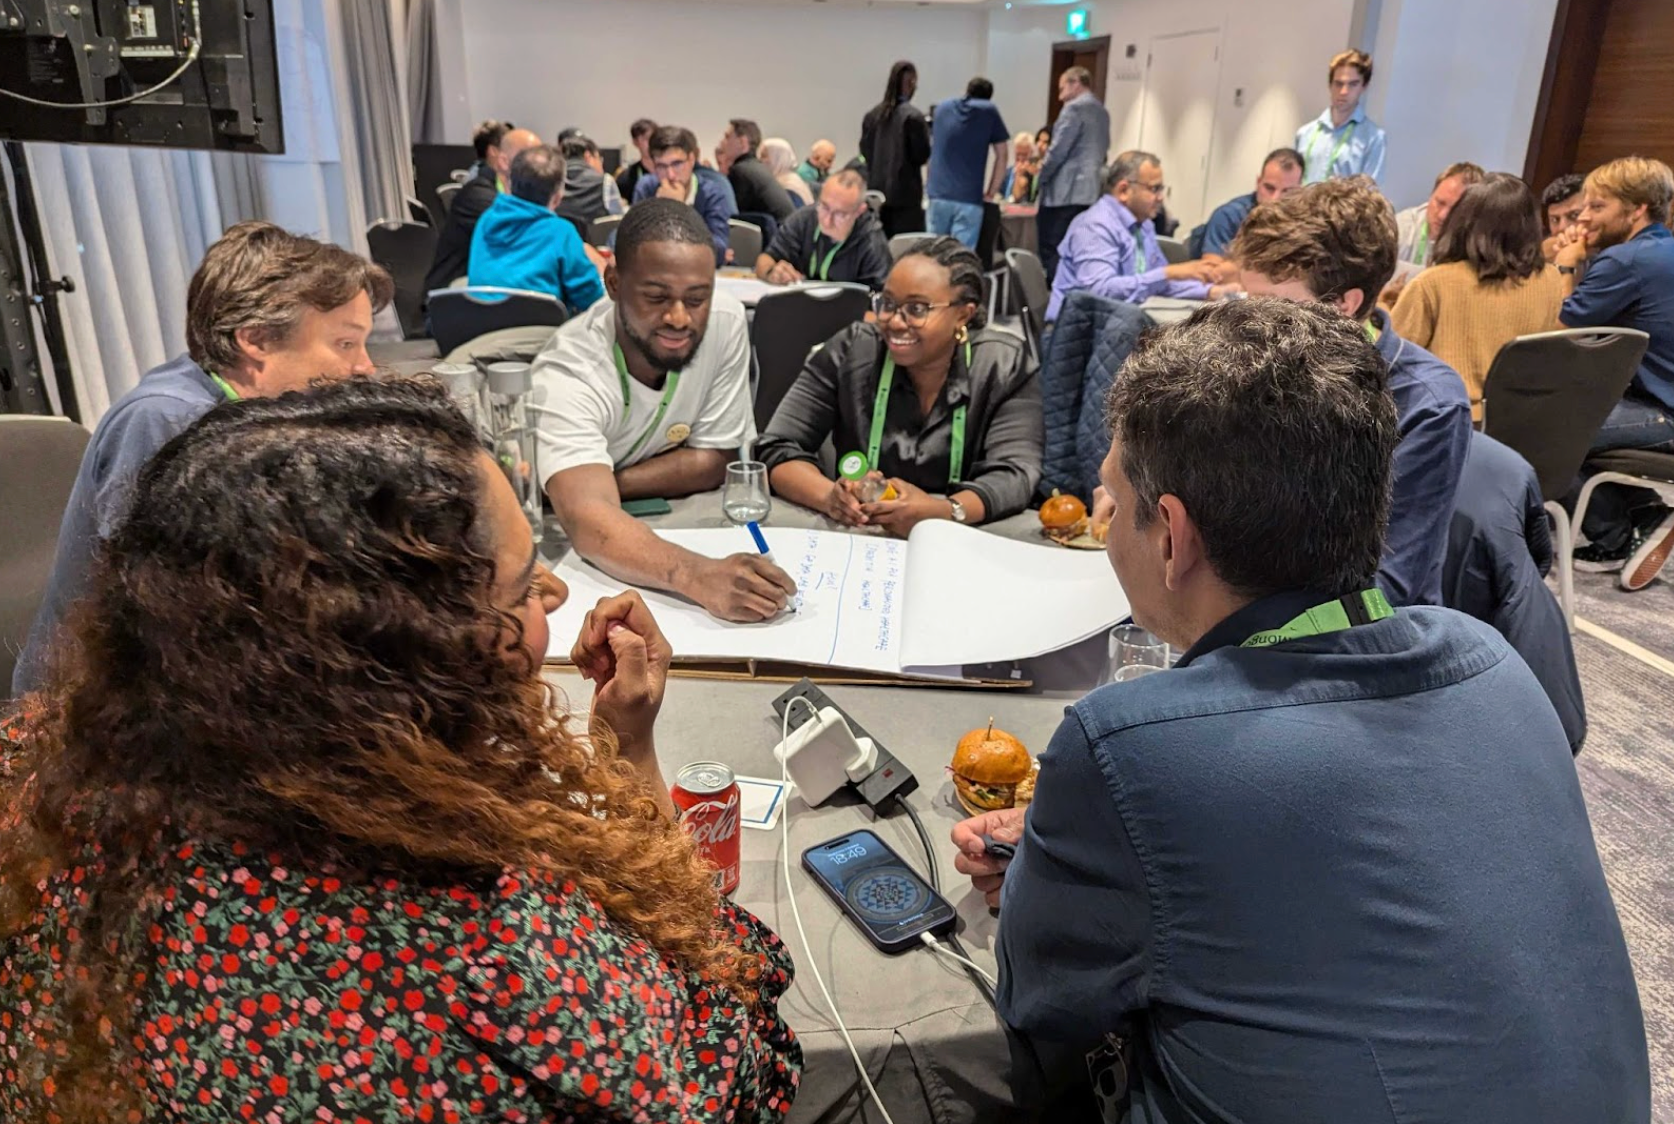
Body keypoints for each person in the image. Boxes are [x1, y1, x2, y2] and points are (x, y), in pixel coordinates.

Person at [0, 376, 804, 1121]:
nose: (556, 593)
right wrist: (627, 757)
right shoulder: (485, 945)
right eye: (524, 584)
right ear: (406, 654)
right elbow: (727, 1046)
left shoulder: (39, 776)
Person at [952, 298, 1649, 1124]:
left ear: (1172, 536)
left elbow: (1045, 1008)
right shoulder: (1494, 663)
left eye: (1111, 500)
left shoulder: (1125, 749)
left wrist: (1050, 864)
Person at [12, 222, 390, 695]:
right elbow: (158, 609)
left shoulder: (254, 404)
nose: (366, 367)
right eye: (345, 344)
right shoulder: (167, 421)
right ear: (256, 340)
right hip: (93, 700)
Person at [534, 200, 793, 621]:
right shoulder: (567, 370)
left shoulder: (725, 321)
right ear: (614, 282)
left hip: (665, 518)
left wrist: (603, 485)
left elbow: (715, 460)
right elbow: (590, 524)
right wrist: (695, 574)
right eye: (656, 297)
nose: (679, 318)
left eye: (697, 298)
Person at [1232, 176, 1471, 606]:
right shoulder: (1261, 360)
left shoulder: (1428, 406)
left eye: (1270, 305)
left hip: (1350, 626)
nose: (1250, 322)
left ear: (1343, 305)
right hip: (1252, 600)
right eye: (1247, 299)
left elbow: (1387, 588)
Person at [756, 237, 1042, 534]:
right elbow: (777, 446)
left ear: (963, 315)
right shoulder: (853, 349)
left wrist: (944, 513)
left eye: (917, 309)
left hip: (964, 536)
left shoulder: (1002, 364)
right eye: (888, 303)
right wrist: (830, 498)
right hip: (862, 535)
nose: (894, 321)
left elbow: (1016, 474)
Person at [1554, 155, 1674, 588]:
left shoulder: (1626, 261)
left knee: (1545, 429)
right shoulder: (1662, 251)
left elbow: (1560, 334)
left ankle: (1618, 531)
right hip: (1659, 404)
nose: (1584, 217)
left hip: (1663, 412)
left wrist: (1567, 264)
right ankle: (1643, 513)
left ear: (1637, 209)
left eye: (1597, 206)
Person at [1392, 173, 1565, 420]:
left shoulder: (1432, 284)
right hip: (1519, 421)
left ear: (1462, 221)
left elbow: (1391, 361)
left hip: (1444, 421)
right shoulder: (1552, 279)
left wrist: (1383, 310)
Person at [1045, 151, 1237, 321]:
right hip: (1073, 335)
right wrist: (1169, 272)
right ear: (1123, 190)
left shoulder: (1143, 225)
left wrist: (1210, 292)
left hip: (1111, 325)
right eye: (1154, 189)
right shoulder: (1095, 225)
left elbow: (1158, 284)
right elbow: (1099, 292)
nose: (1160, 197)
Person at [468, 145, 606, 312]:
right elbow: (590, 298)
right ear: (557, 197)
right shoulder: (561, 232)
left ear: (509, 183)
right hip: (541, 327)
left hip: (480, 324)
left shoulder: (486, 220)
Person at [425, 121, 540, 292]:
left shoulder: (509, 193)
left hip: (489, 290)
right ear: (502, 160)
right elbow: (523, 236)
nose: (539, 164)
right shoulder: (477, 195)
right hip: (455, 296)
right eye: (529, 156)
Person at [1035, 67, 1112, 281]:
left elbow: (1058, 151)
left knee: (1053, 248)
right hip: (1090, 193)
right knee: (1077, 248)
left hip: (1063, 193)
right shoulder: (1102, 112)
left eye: (1062, 89)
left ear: (1075, 83)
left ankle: (1053, 293)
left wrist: (1041, 177)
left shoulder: (1073, 109)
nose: (1059, 96)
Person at [755, 169, 891, 289]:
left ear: (859, 211)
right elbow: (765, 258)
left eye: (840, 214)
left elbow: (879, 298)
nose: (827, 221)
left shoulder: (872, 243)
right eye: (824, 207)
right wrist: (772, 273)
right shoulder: (803, 220)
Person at [631, 125, 737, 266]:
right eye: (661, 166)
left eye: (677, 164)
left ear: (691, 159)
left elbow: (717, 251)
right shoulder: (646, 188)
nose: (670, 175)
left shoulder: (712, 193)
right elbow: (632, 243)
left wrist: (678, 210)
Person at [926, 77, 1009, 249]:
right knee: (961, 257)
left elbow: (932, 151)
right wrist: (991, 192)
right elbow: (1002, 155)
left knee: (933, 255)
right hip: (968, 198)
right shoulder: (988, 110)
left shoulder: (942, 109)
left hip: (938, 195)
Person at [859, 60, 931, 237]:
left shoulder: (872, 116)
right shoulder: (914, 117)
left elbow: (864, 150)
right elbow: (921, 155)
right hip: (906, 200)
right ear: (911, 83)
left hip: (876, 197)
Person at [1195, 147, 1305, 259]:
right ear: (1258, 182)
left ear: (1299, 191)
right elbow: (1212, 266)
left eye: (1287, 191)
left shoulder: (1302, 224)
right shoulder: (1229, 216)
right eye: (1269, 188)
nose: (1275, 199)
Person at [1295, 49, 1386, 184]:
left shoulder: (1373, 138)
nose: (1344, 91)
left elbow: (1369, 193)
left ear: (1364, 86)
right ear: (1330, 85)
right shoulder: (1305, 133)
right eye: (1338, 84)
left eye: (1353, 84)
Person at [1395, 161, 1486, 270]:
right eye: (1440, 203)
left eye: (1455, 210)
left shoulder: (1478, 247)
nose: (1443, 216)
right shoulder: (1403, 226)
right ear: (1431, 195)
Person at [720, 118, 795, 224]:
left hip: (773, 232)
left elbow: (733, 217)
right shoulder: (757, 168)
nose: (722, 142)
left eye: (727, 137)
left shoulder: (740, 172)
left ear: (742, 142)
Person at [556, 133, 625, 225]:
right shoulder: (605, 182)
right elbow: (618, 221)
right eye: (599, 158)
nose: (601, 165)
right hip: (597, 234)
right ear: (588, 156)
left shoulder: (553, 180)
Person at [1541, 172, 1585, 262]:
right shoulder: (1544, 253)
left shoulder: (1609, 259)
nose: (1562, 227)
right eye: (1555, 219)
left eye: (1574, 215)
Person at [760, 136, 814, 207]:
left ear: (777, 158)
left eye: (764, 156)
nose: (760, 159)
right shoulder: (792, 178)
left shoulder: (787, 188)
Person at [615, 116, 659, 200]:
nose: (652, 142)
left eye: (654, 138)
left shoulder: (670, 171)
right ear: (635, 142)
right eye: (646, 139)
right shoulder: (626, 178)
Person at [1001, 132, 1040, 204]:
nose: (1021, 158)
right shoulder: (1007, 173)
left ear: (1032, 153)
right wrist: (1018, 175)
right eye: (1018, 154)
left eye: (1024, 155)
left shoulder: (1037, 175)